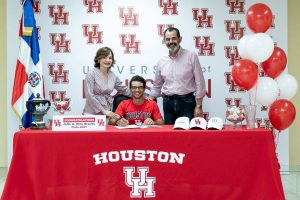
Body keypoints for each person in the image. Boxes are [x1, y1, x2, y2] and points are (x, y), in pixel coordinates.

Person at [150, 27, 206, 124]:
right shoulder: (161, 61)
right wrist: (149, 100)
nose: (171, 41)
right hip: (167, 103)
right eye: (167, 39)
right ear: (164, 41)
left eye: (174, 38)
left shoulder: (191, 56)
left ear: (180, 39)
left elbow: (200, 82)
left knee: (186, 136)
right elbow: (157, 86)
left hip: (187, 102)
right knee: (169, 135)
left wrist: (199, 106)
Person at [84, 47, 130, 120]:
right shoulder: (92, 73)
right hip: (91, 114)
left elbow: (124, 89)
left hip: (107, 113)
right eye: (104, 57)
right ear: (98, 59)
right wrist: (103, 111)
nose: (107, 60)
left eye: (110, 58)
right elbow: (89, 95)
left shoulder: (113, 75)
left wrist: (140, 96)